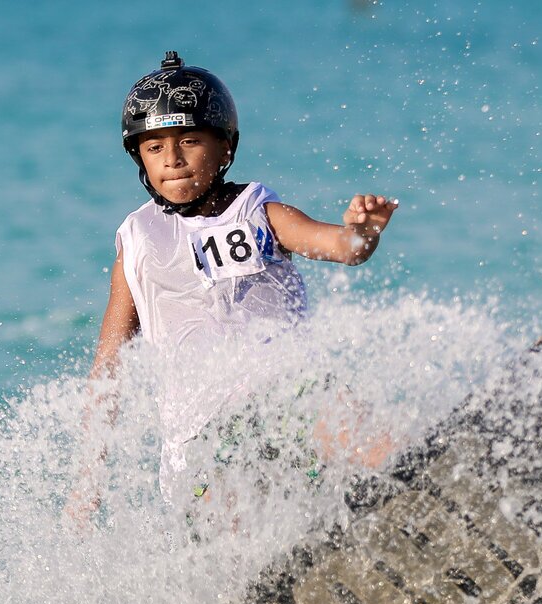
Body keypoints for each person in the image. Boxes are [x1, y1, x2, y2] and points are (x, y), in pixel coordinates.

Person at [73, 51, 396, 521]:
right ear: (138, 156)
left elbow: (342, 247)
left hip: (288, 401)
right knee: (228, 508)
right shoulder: (138, 241)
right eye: (155, 147)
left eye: (189, 140)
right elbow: (109, 367)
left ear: (226, 147)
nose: (173, 160)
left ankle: (424, 479)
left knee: (332, 406)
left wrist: (362, 231)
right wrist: (86, 487)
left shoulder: (258, 211)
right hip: (201, 439)